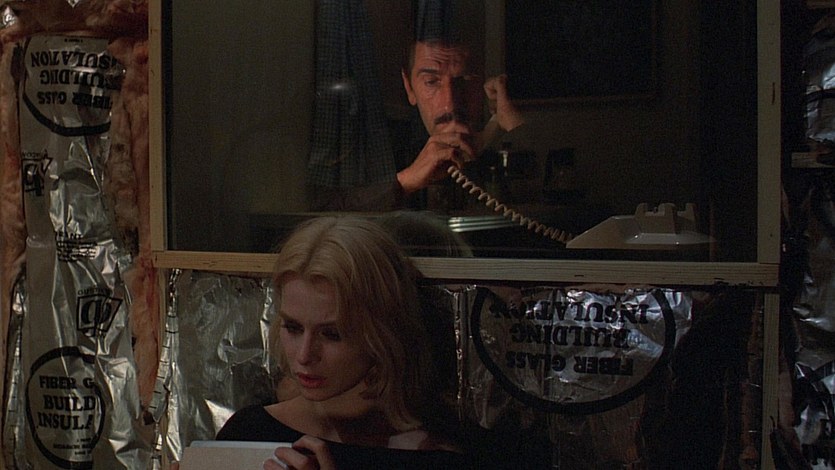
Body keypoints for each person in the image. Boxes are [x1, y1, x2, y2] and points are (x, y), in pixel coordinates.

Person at [216, 216, 469, 469]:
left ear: (382, 332)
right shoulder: (249, 433)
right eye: (293, 328)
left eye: (332, 334)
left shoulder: (439, 453)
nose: (304, 355)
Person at [310, 39, 524, 211]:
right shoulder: (380, 148)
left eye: (464, 80)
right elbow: (319, 209)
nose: (449, 103)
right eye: (431, 82)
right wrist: (406, 181)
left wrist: (509, 124)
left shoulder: (495, 148)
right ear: (409, 87)